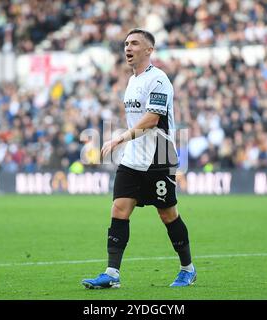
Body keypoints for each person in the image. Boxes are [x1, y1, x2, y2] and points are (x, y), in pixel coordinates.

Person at [81, 29, 196, 289]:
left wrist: (119, 138)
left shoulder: (159, 80)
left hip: (160, 156)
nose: (127, 48)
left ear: (148, 50)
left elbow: (152, 119)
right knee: (119, 210)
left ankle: (187, 269)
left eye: (134, 43)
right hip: (133, 157)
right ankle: (112, 274)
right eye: (125, 43)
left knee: (167, 214)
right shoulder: (132, 81)